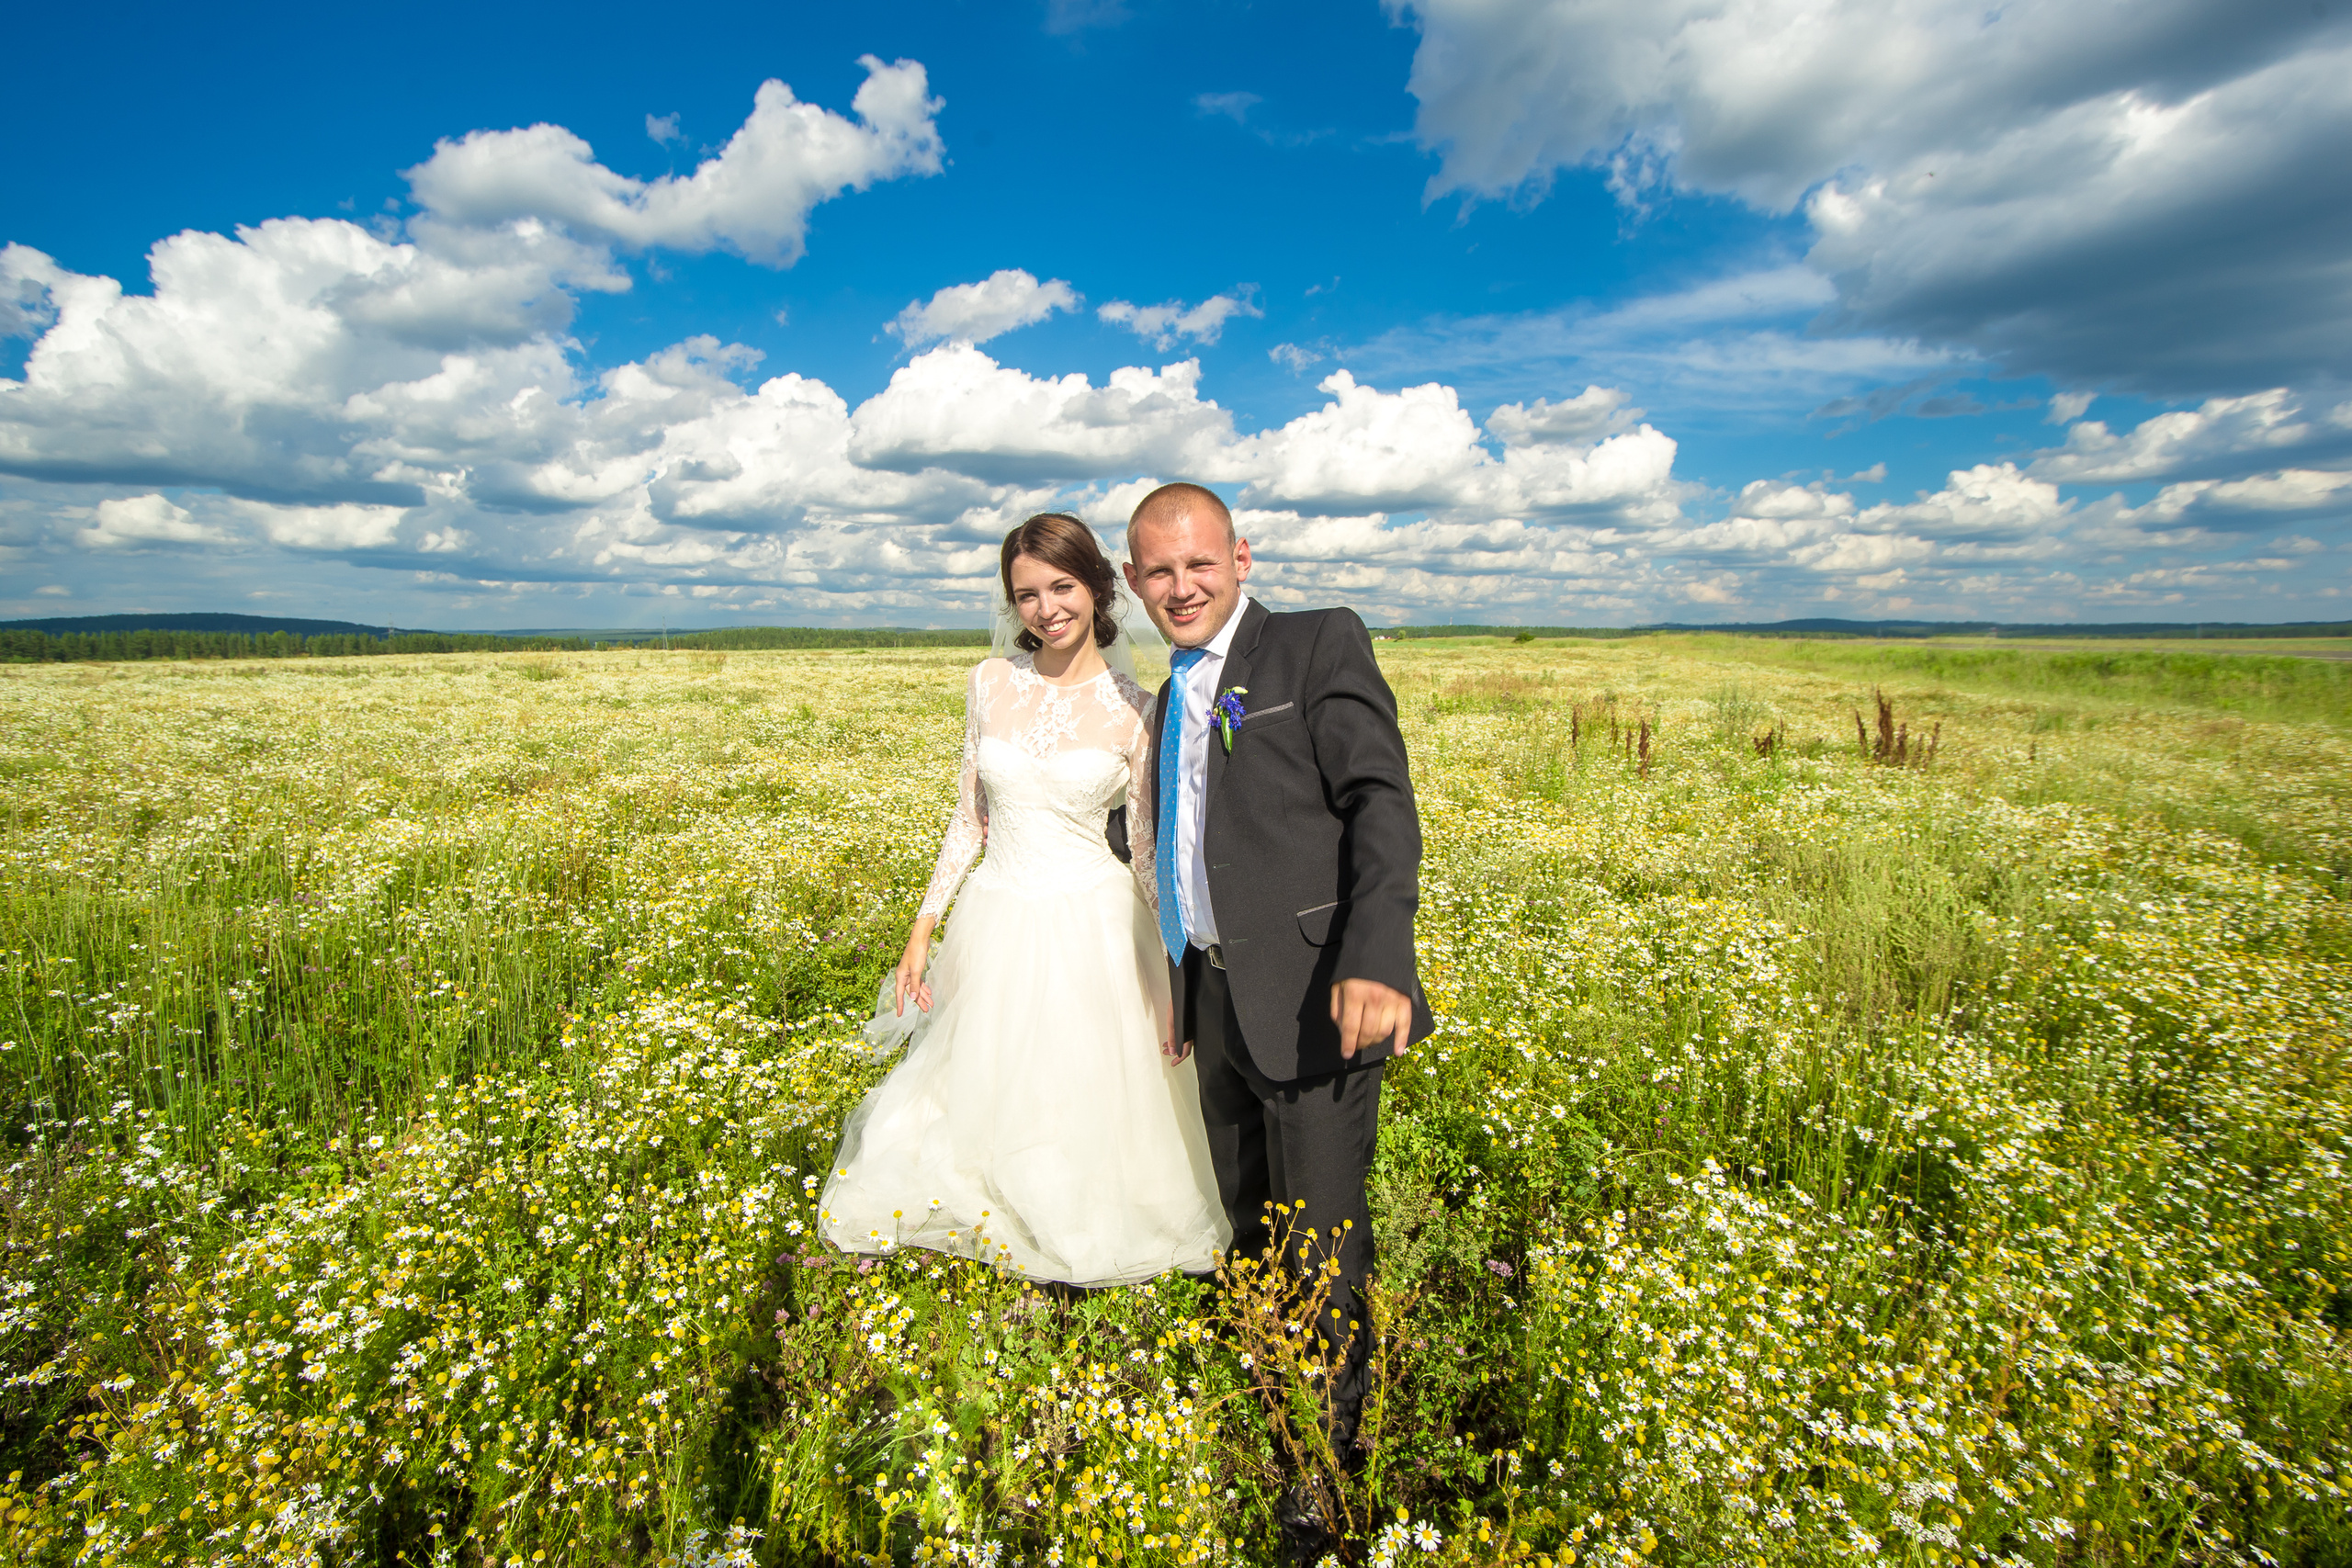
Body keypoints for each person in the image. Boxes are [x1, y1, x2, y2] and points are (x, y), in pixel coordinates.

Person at [1125, 481, 1431, 1562]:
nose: (1180, 587)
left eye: (1198, 564)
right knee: (1249, 1225)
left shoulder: (1312, 645)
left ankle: (1325, 1479)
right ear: (1131, 583)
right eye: (1158, 572)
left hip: (1315, 1006)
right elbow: (1178, 845)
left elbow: (1379, 800)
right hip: (1214, 1001)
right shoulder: (1165, 699)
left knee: (1323, 1245)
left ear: (1241, 558)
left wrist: (1376, 956)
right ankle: (1273, 1399)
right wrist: (1172, 975)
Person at [819, 513, 1228, 1285]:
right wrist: (922, 925)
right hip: (997, 915)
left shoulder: (1138, 709)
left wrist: (1175, 972)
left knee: (1085, 1091)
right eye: (1027, 594)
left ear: (1100, 587)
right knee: (980, 1078)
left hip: (1096, 926)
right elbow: (969, 817)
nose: (1047, 609)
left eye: (1062, 587)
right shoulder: (988, 681)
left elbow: (1145, 850)